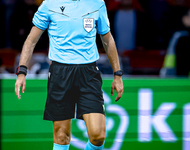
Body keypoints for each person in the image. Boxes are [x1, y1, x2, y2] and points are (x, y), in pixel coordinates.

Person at [14, 0, 124, 150]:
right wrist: (22, 72)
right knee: (61, 136)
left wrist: (117, 75)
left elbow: (108, 40)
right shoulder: (49, 4)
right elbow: (31, 41)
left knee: (98, 136)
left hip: (89, 74)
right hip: (60, 73)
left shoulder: (97, 3)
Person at [160, 8, 190, 77]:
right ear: (185, 18)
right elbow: (183, 65)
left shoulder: (185, 35)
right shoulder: (183, 38)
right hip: (179, 80)